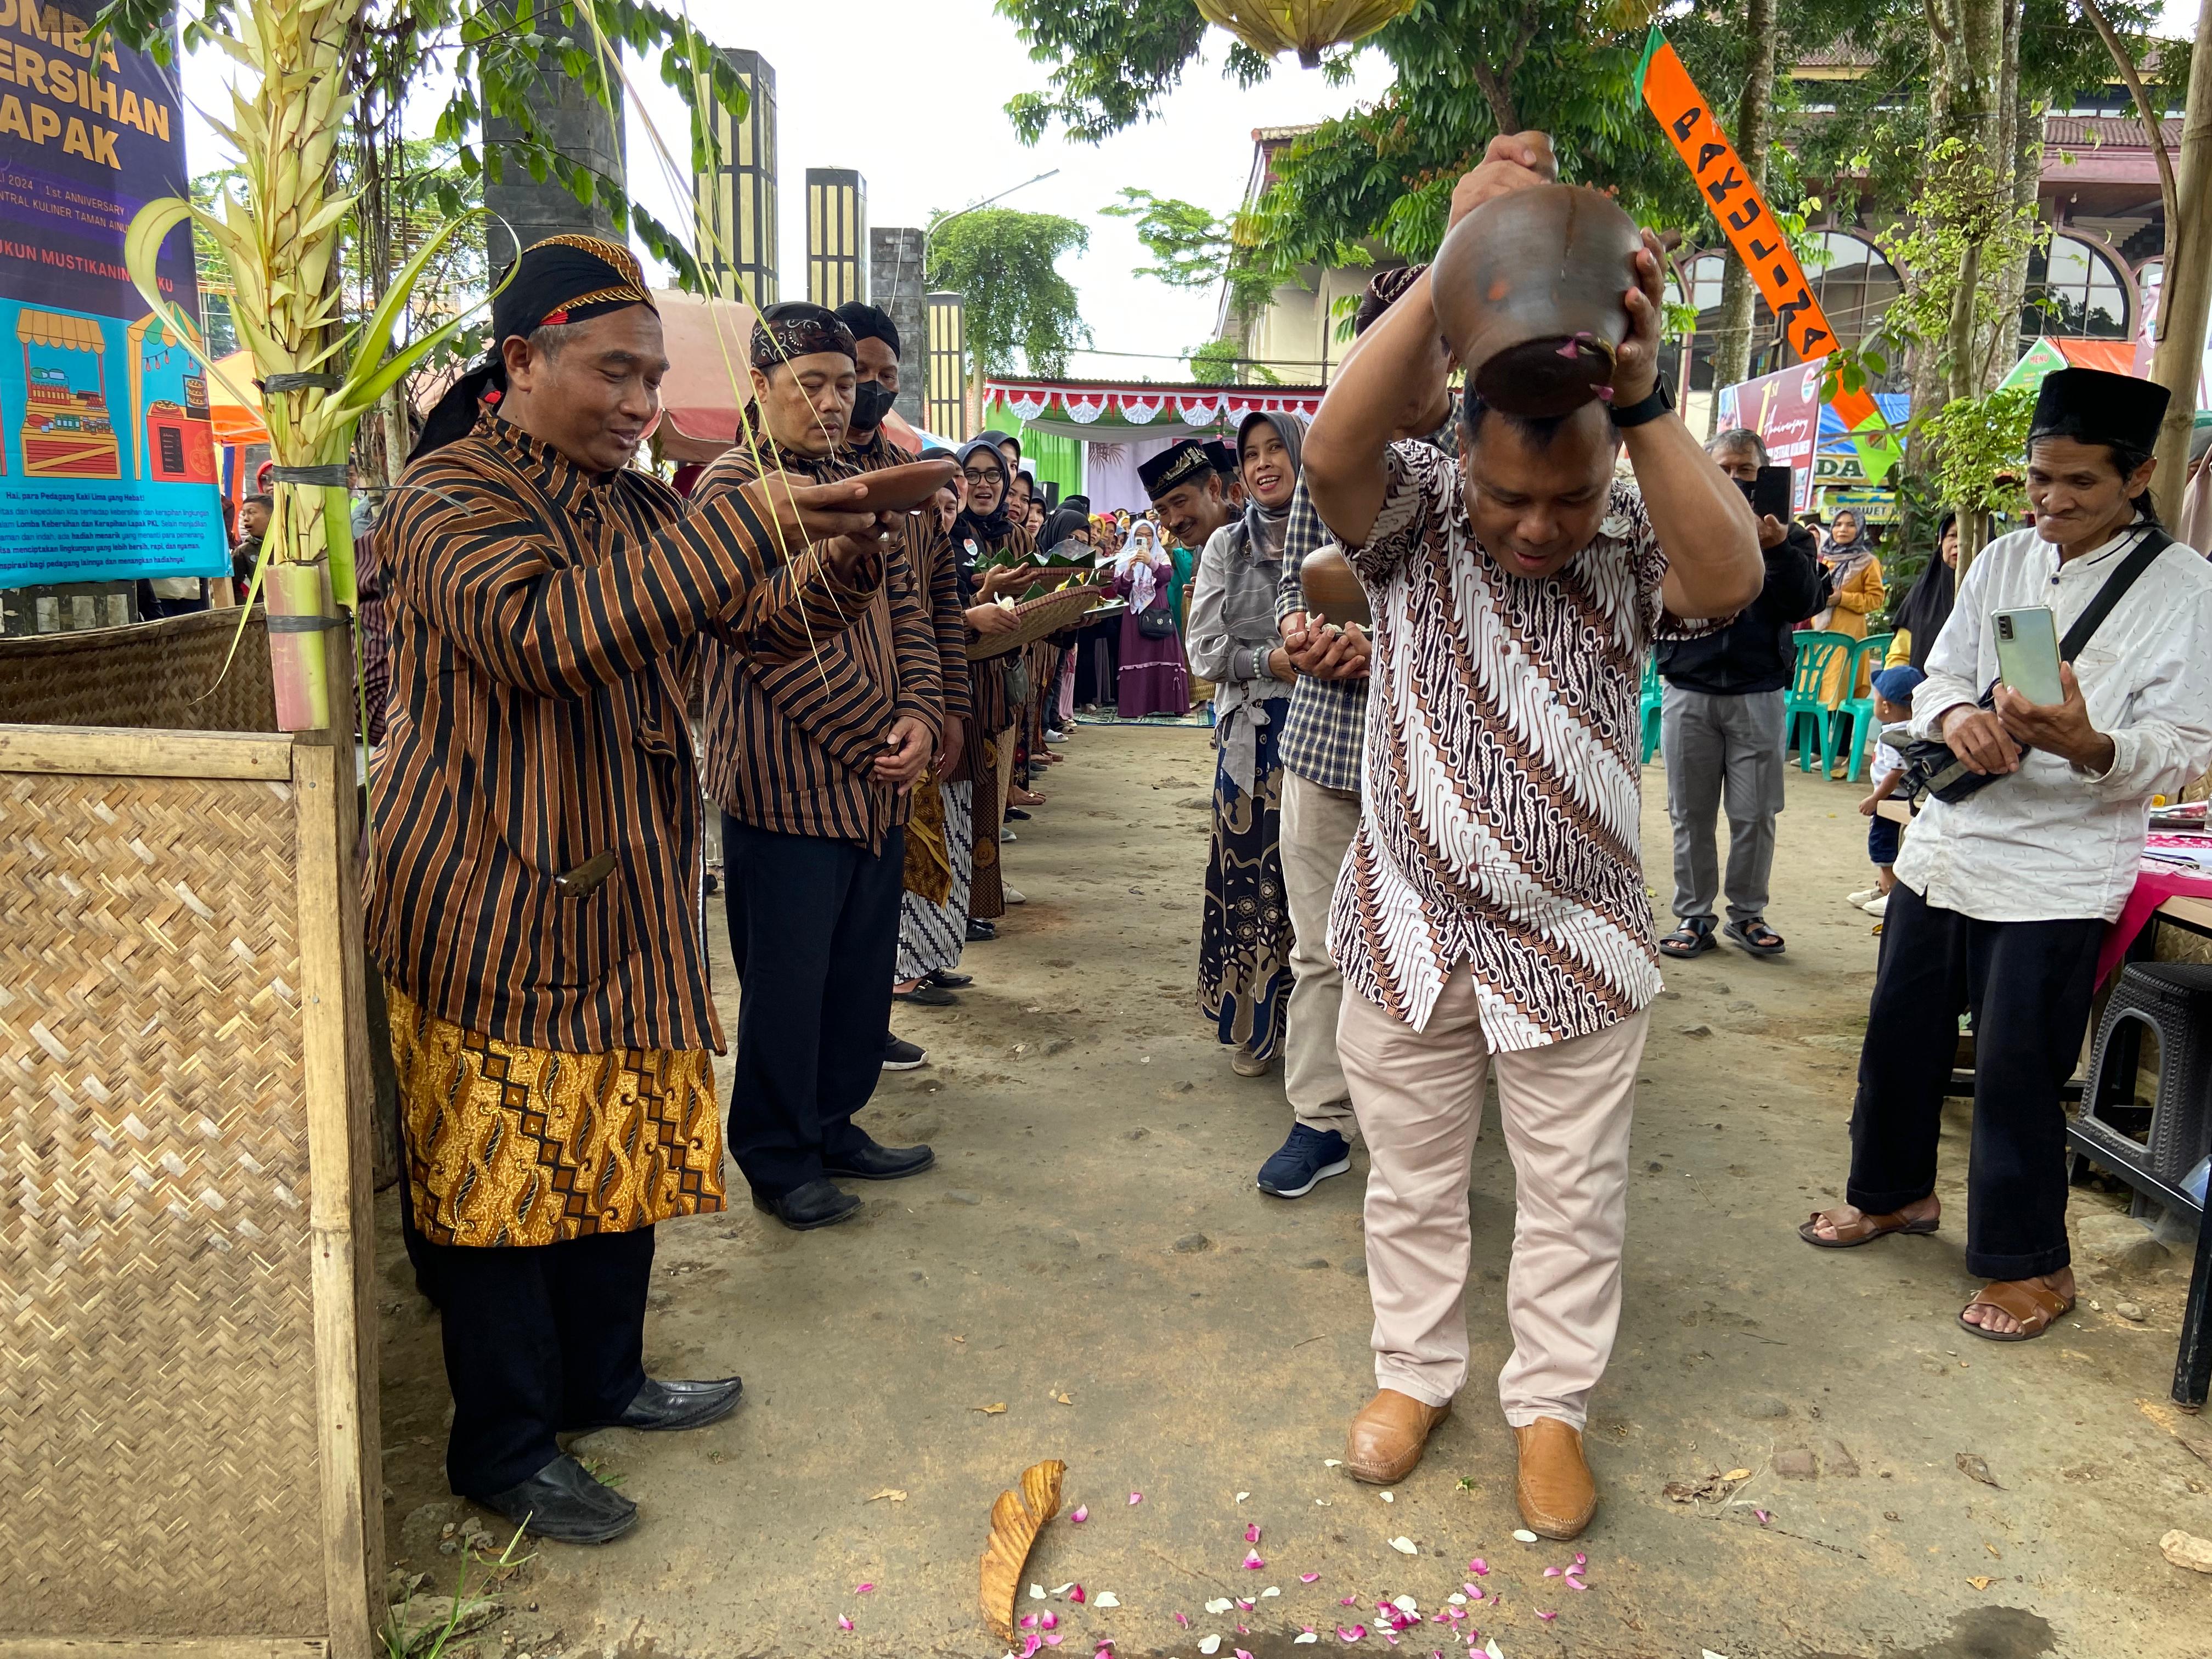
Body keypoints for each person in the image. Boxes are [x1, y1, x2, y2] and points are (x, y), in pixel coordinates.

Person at [370, 235, 890, 1542]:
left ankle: (605, 1384)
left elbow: (767, 625)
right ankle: (501, 1444)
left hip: (628, 903)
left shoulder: (643, 505)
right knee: (501, 1184)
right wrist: (745, 522)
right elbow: (544, 638)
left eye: (653, 380)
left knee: (618, 1157)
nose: (640, 406)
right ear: (524, 360)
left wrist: (848, 548)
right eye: (614, 373)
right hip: (486, 903)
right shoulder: (443, 501)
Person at [1302, 132, 1762, 1538]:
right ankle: (1414, 1377)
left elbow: (1734, 575)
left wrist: (1648, 398)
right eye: (1512, 497)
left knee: (1571, 1196)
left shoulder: (1631, 537)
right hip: (1406, 926)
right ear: (1464, 470)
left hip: (1574, 946)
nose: (1537, 525)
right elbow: (1333, 447)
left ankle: (1551, 1407)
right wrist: (1457, 267)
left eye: (1565, 498)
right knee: (1414, 1184)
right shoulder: (1416, 525)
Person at [1801, 366, 2212, 1341]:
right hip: (1948, 842)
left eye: (2079, 483)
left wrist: (2091, 745)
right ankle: (1893, 1191)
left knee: (2019, 1063)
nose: (2052, 502)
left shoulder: (2186, 589)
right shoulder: (2004, 560)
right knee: (1899, 1032)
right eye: (2038, 479)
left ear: (2139, 475)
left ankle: (2033, 1264)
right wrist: (1953, 715)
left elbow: (2188, 743)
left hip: (2059, 867)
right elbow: (1943, 667)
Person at [691, 301, 943, 1233]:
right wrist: (874, 739)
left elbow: (911, 610)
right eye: (812, 385)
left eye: (846, 384)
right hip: (784, 783)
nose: (835, 402)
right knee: (787, 986)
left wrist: (920, 712)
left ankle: (834, 1123)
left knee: (853, 973)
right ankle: (777, 1153)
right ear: (758, 388)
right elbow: (772, 640)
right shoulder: (731, 490)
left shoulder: (868, 478)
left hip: (875, 779)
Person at [1257, 266, 1425, 1198]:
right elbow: (1293, 581)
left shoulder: (1487, 460)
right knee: (1317, 945)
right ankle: (1319, 1120)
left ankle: (1412, 1129)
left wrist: (1380, 643)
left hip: (1436, 756)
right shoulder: (1330, 453)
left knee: (1427, 952)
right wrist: (1300, 632)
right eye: (1382, 343)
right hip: (1324, 748)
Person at [836, 307, 979, 1019]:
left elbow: (934, 607)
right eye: (857, 374)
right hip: (830, 733)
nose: (870, 389)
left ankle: (875, 1026)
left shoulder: (908, 481)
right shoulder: (801, 480)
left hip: (911, 719)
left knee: (893, 888)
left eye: (886, 376)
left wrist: (946, 708)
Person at [1656, 428, 1824, 961]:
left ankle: (1747, 915)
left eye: (1745, 470)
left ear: (1764, 475)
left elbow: (1804, 600)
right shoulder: (1680, 530)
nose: (1733, 479)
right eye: (1722, 468)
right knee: (1690, 813)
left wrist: (1774, 551)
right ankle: (1693, 915)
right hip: (1688, 687)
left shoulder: (1792, 539)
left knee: (1755, 814)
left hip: (1758, 692)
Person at [1188, 413, 1305, 1079]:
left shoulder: (1340, 537)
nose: (1263, 464)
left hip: (1330, 737)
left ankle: (1320, 1040)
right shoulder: (1226, 548)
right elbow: (1204, 650)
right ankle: (1255, 1030)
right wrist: (1271, 663)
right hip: (1252, 740)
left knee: (1317, 891)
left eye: (1275, 451)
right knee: (1252, 884)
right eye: (1251, 454)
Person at [950, 435, 1036, 933]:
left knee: (986, 799)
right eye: (974, 475)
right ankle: (954, 911)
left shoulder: (1015, 537)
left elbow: (1036, 597)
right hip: (957, 684)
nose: (983, 486)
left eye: (994, 476)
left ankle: (975, 904)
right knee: (958, 801)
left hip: (999, 682)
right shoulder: (946, 531)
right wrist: (985, 594)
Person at [1849, 664, 1922, 915]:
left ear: (1887, 707)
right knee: (1889, 841)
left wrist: (1875, 798)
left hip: (1892, 797)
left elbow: (1895, 772)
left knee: (1882, 842)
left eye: (1876, 700)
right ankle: (1883, 886)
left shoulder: (1895, 737)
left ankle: (1891, 890)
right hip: (1906, 795)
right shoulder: (1912, 730)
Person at [1110, 515, 1192, 718]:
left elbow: (1166, 577)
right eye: (1140, 536)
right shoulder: (1123, 557)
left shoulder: (1161, 555)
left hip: (1159, 610)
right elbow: (1120, 588)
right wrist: (1129, 571)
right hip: (1135, 614)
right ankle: (1136, 706)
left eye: (1149, 535)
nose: (1145, 539)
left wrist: (1151, 562)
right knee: (1137, 654)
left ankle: (1171, 705)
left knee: (1166, 653)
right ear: (1132, 537)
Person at [1812, 506, 1884, 727]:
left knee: (1842, 690)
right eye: (1839, 524)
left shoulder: (1868, 561)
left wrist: (1843, 598)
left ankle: (1841, 752)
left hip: (1847, 636)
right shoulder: (1824, 558)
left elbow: (1875, 599)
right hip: (1819, 635)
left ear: (1860, 529)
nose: (1843, 529)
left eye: (1851, 525)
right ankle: (1816, 749)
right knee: (1816, 688)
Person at [1886, 514, 1958, 670]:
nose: (1959, 544)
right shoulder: (1923, 594)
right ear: (1941, 542)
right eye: (1952, 536)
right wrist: (1894, 684)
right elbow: (1900, 655)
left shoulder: (1999, 593)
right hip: (1924, 690)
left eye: (1969, 536)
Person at [232, 493, 271, 602]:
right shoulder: (243, 552)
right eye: (244, 514)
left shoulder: (290, 546)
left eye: (252, 513)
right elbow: (234, 588)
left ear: (272, 516)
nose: (246, 519)